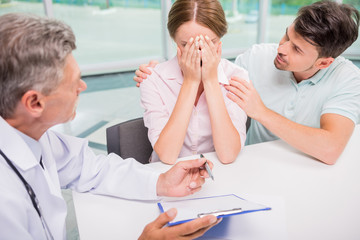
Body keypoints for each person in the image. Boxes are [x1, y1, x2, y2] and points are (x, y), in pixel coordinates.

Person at [0, 13, 220, 240]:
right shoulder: (5, 203)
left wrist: (161, 182)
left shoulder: (31, 132)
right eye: (73, 82)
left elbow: (90, 168)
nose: (82, 87)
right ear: (35, 102)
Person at [134, 0, 360, 165]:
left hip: (299, 165)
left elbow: (330, 149)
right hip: (248, 165)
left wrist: (259, 111)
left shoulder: (347, 79)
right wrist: (165, 71)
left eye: (296, 49)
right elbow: (167, 154)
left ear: (324, 63)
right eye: (286, 36)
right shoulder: (256, 58)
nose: (280, 49)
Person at [139, 0, 248, 164]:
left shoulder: (236, 77)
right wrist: (190, 81)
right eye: (186, 44)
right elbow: (167, 155)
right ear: (174, 40)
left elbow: (228, 155)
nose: (199, 53)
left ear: (219, 41)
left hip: (220, 173)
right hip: (166, 175)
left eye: (208, 43)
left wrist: (211, 80)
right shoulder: (153, 79)